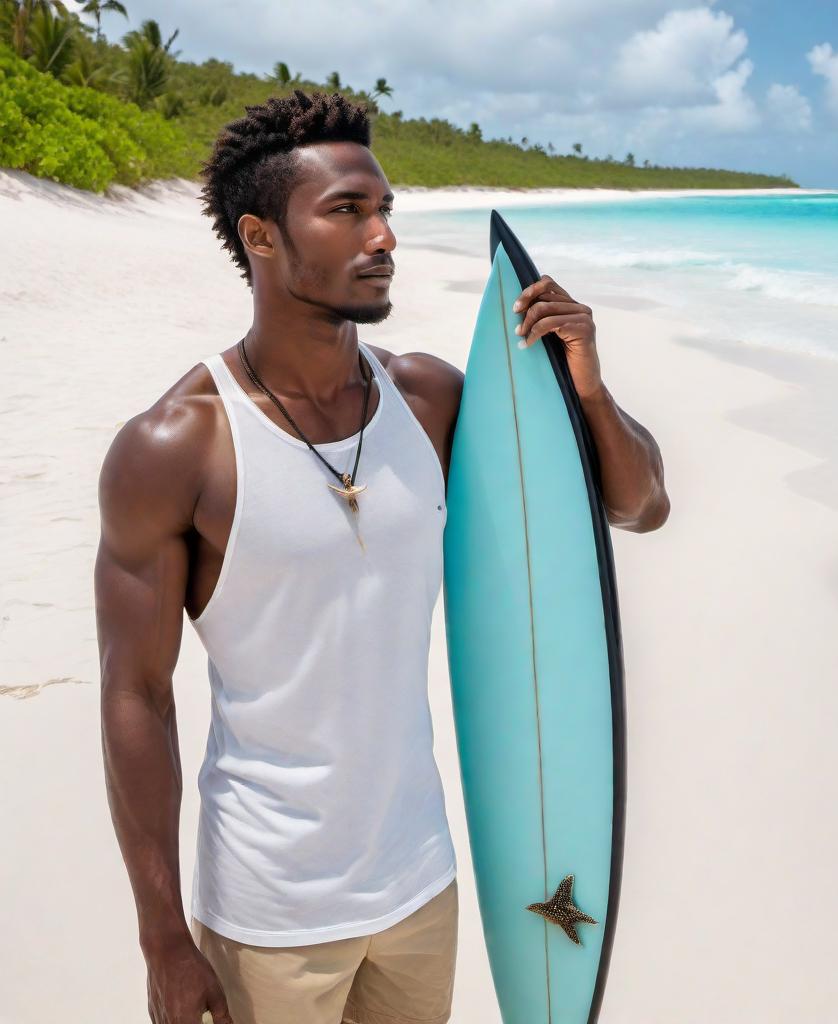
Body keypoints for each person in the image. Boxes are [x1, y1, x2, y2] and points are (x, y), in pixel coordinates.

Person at [94, 89, 670, 1024]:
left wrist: (588, 393)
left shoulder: (429, 401)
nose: (384, 236)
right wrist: (164, 939)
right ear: (263, 236)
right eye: (348, 211)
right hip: (270, 911)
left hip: (420, 881)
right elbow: (135, 695)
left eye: (387, 210)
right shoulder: (177, 448)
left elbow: (636, 506)